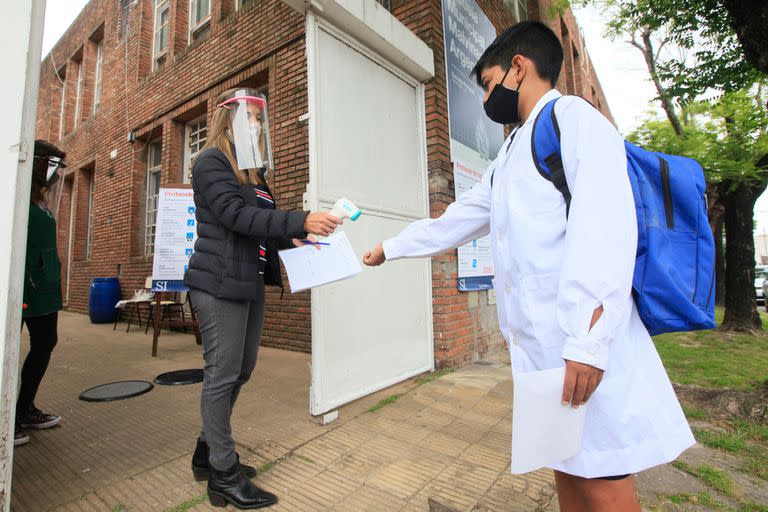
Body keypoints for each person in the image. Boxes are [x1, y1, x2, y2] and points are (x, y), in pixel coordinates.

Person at [363, 21, 694, 512]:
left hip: (584, 346)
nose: (486, 100)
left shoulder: (573, 119)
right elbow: (457, 220)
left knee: (604, 478)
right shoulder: (509, 155)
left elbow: (605, 230)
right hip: (543, 354)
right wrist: (391, 246)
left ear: (520, 67)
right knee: (566, 465)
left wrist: (589, 345)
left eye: (490, 84)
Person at [183, 88, 342, 510]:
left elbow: (261, 227)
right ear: (229, 120)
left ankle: (206, 452)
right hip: (217, 282)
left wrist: (296, 238)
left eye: (259, 119)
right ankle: (223, 474)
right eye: (250, 118)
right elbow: (237, 216)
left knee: (242, 369)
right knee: (222, 373)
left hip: (247, 281)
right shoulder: (210, 162)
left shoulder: (253, 173)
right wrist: (300, 217)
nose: (257, 125)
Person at [16, 140, 69, 447]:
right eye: (52, 167)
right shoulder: (17, 196)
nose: (56, 175)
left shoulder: (41, 202)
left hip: (44, 285)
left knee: (46, 341)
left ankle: (25, 408)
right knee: (8, 349)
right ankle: (7, 416)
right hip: (24, 284)